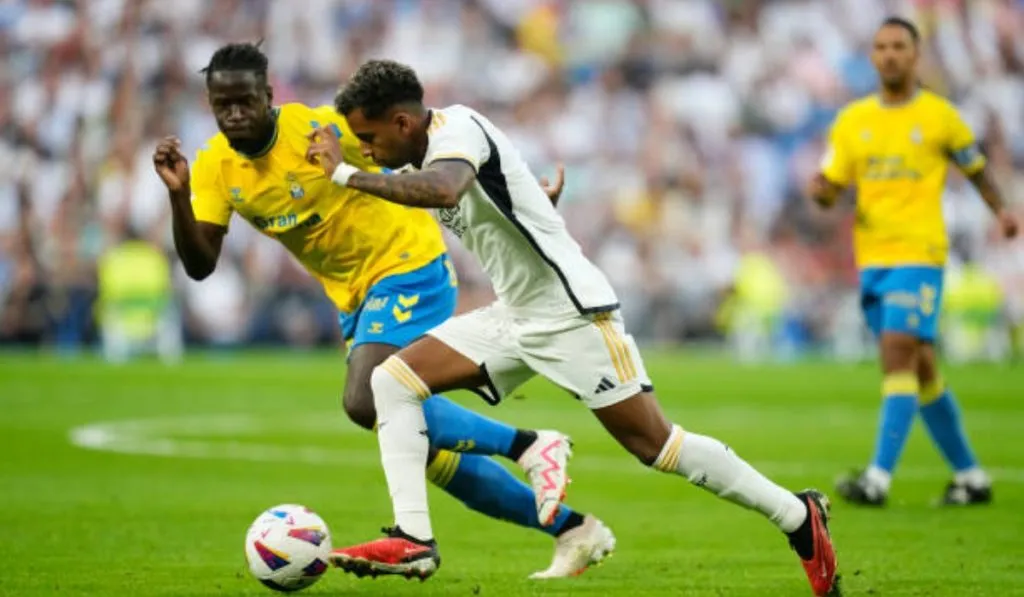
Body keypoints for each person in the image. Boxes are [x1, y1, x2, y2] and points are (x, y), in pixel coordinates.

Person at [308, 59, 841, 597]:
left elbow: (446, 189)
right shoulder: (420, 155)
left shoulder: (457, 130)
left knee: (656, 445)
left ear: (403, 123)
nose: (366, 149)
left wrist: (344, 174)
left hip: (572, 314)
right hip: (515, 315)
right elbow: (495, 193)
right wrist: (535, 203)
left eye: (368, 137)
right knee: (391, 380)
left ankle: (797, 516)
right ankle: (414, 539)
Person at [151, 42, 615, 579]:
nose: (234, 113)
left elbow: (417, 146)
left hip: (409, 265)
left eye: (245, 101)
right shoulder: (214, 168)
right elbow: (201, 263)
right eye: (221, 104)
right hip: (355, 301)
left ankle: (529, 445)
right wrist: (179, 197)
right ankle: (573, 529)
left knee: (366, 396)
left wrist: (516, 193)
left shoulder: (319, 130)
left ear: (269, 96)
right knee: (429, 454)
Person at [808, 17, 1018, 507]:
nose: (889, 55)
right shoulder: (853, 121)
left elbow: (977, 170)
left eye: (899, 46)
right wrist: (821, 193)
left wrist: (1003, 212)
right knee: (921, 367)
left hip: (920, 254)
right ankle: (971, 476)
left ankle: (878, 479)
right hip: (873, 260)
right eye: (880, 47)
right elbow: (830, 187)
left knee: (897, 352)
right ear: (872, 56)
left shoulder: (941, 117)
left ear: (915, 54)